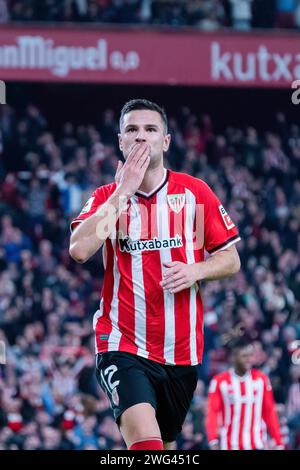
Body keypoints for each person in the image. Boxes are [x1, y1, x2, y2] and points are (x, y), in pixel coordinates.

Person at [69, 99, 241, 451]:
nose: (141, 137)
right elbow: (80, 249)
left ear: (166, 141)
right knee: (146, 445)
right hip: (123, 344)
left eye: (150, 130)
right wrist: (125, 190)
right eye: (132, 130)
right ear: (121, 141)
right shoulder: (107, 197)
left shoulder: (195, 193)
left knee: (163, 445)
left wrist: (197, 269)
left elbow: (231, 259)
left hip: (182, 352)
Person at [205, 339, 284, 450]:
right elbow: (212, 412)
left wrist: (278, 441)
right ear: (233, 358)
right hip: (229, 446)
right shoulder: (220, 382)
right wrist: (213, 440)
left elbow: (269, 411)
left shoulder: (261, 380)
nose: (249, 360)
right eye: (244, 356)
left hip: (257, 444)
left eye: (250, 356)